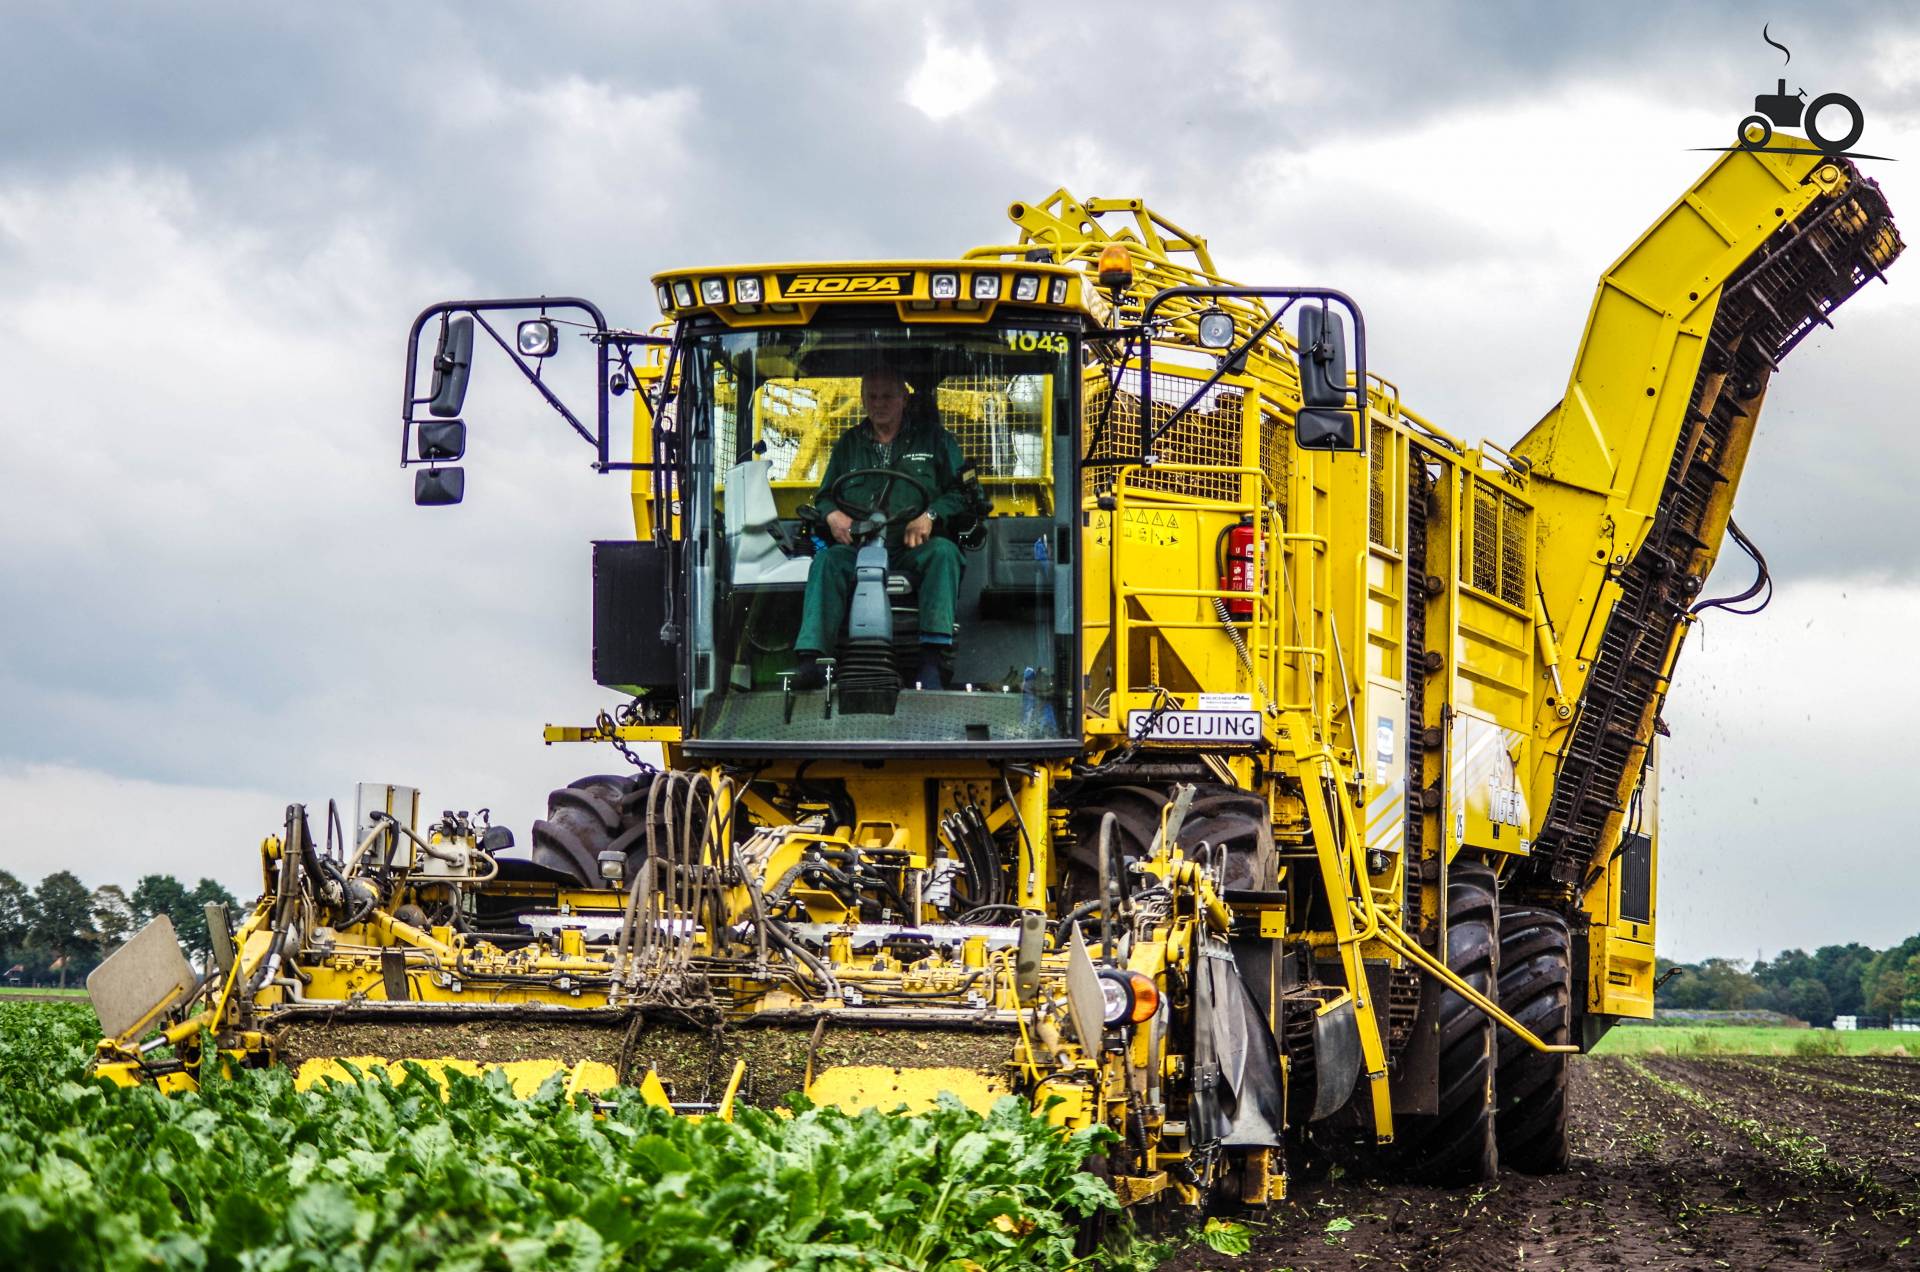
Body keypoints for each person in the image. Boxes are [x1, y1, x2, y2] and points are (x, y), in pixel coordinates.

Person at [793, 365, 968, 690]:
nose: (879, 403)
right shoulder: (849, 444)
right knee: (826, 561)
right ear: (862, 399)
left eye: (887, 396)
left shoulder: (936, 440)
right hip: (860, 548)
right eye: (871, 396)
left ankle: (932, 661)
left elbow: (966, 494)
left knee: (944, 554)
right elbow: (825, 496)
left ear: (904, 398)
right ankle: (812, 660)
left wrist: (930, 514)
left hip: (911, 548)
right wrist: (832, 515)